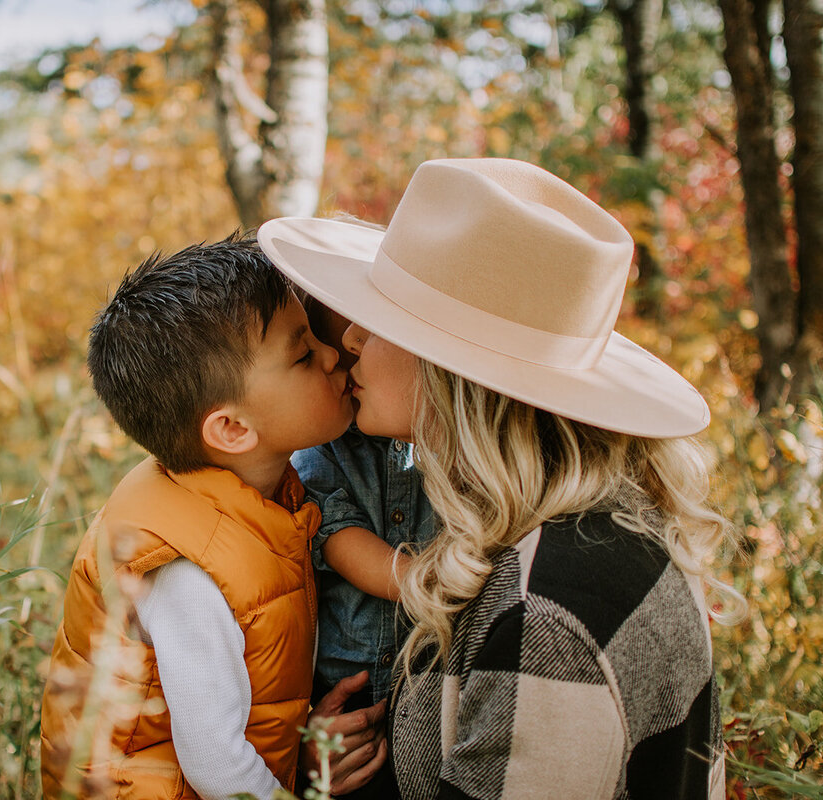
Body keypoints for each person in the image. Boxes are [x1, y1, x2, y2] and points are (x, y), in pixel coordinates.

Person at [259, 158, 734, 798]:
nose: (351, 341)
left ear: (449, 372)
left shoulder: (547, 609)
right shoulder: (568, 532)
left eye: (378, 322)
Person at [38, 232, 356, 800]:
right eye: (305, 353)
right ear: (232, 429)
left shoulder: (252, 501)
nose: (334, 355)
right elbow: (216, 764)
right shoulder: (186, 567)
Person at [291, 290, 436, 800]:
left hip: (427, 698)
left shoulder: (429, 437)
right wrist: (440, 581)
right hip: (350, 700)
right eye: (332, 347)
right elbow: (343, 542)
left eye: (366, 336)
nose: (347, 353)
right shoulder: (322, 445)